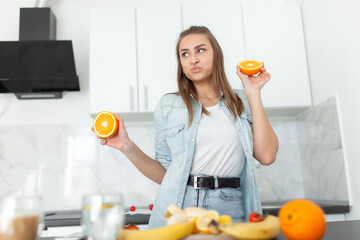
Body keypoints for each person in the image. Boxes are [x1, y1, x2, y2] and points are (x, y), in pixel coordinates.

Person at [93, 26, 279, 228]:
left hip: (230, 206)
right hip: (179, 206)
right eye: (185, 54)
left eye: (200, 50)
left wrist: (253, 92)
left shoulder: (241, 99)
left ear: (216, 54)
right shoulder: (168, 106)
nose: (193, 60)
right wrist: (126, 146)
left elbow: (267, 156)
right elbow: (166, 175)